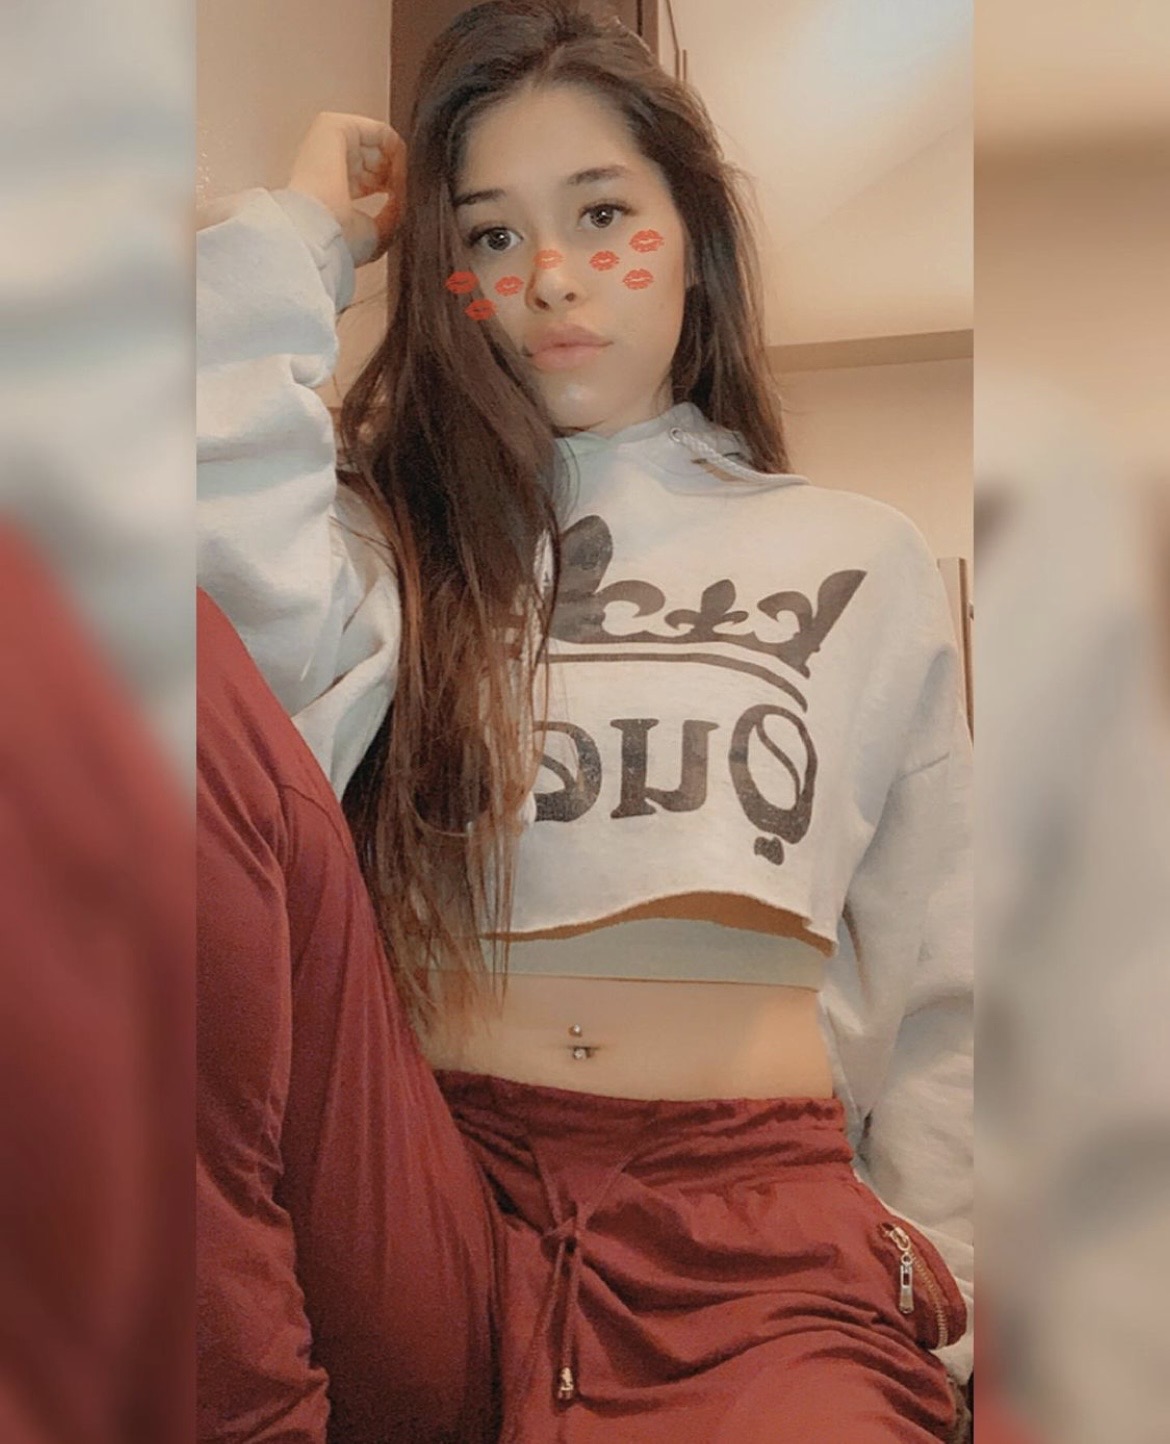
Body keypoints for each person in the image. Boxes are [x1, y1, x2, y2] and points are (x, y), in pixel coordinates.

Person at [196, 3, 972, 1440]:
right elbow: (175, 582)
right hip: (434, 1187)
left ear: (692, 236)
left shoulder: (856, 555)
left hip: (742, 1223)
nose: (551, 277)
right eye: (491, 234)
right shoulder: (386, 540)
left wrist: (955, 1271)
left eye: (602, 214)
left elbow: (939, 962)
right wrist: (300, 233)